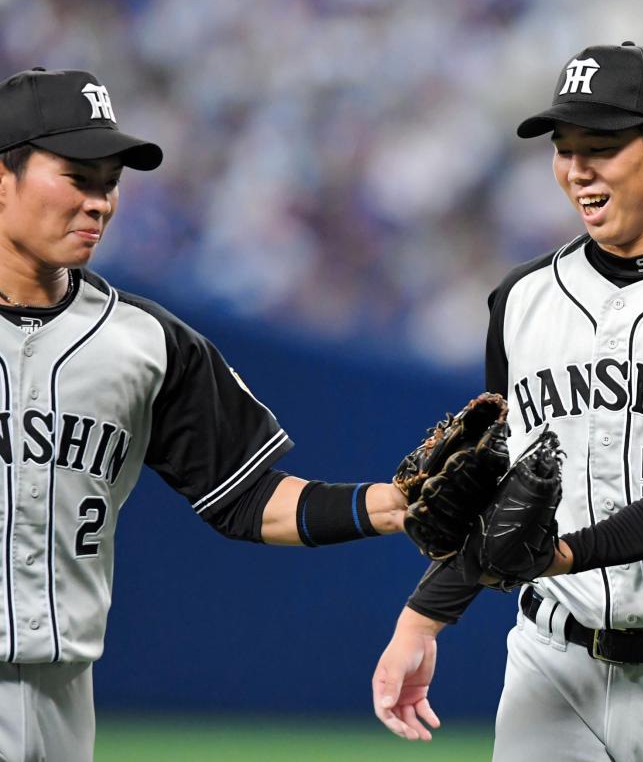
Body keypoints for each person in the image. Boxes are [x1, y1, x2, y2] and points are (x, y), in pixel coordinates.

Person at [372, 42, 643, 761]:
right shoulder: (521, 299)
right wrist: (422, 618)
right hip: (550, 663)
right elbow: (489, 487)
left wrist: (562, 554)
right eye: (564, 148)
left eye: (602, 147)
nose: (578, 170)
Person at [0, 67, 408, 762]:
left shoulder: (146, 342)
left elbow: (245, 497)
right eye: (77, 177)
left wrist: (388, 505)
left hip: (65, 696)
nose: (100, 202)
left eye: (109, 182)